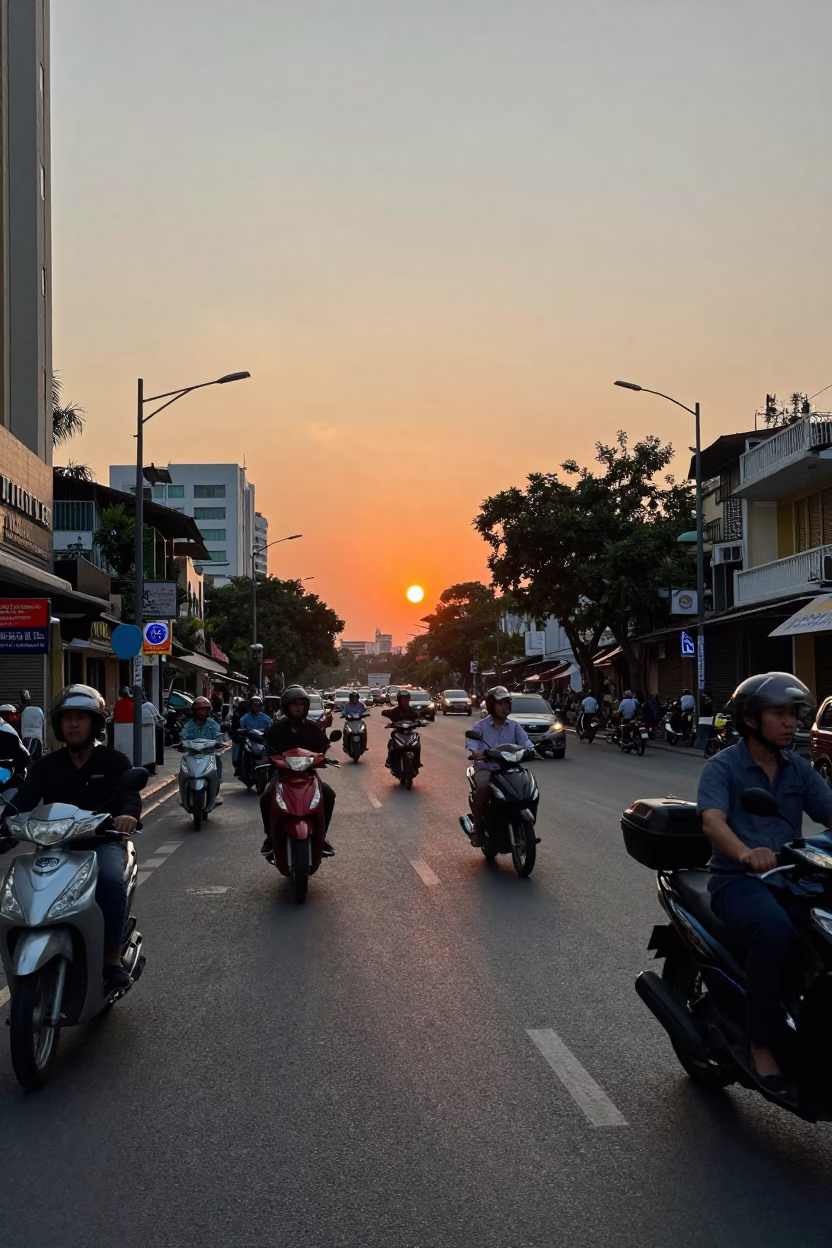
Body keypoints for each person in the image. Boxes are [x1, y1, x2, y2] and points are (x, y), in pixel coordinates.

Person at [698, 672, 832, 1091]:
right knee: (774, 932)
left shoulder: (799, 769)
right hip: (737, 881)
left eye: (794, 714)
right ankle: (761, 1044)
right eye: (779, 713)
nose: (791, 722)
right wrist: (744, 852)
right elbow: (712, 821)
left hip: (792, 878)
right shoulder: (724, 767)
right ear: (752, 720)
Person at [14, 685, 142, 989]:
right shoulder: (46, 766)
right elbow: (22, 802)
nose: (73, 724)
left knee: (111, 882)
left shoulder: (113, 761)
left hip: (103, 844)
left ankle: (111, 958)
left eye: (81, 718)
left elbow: (130, 795)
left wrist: (129, 815)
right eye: (67, 718)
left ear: (95, 724)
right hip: (55, 846)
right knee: (21, 885)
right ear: (58, 725)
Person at [260, 684, 335, 857]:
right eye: (294, 704)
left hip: (308, 777)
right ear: (286, 707)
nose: (298, 707)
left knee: (329, 794)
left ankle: (321, 836)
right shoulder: (276, 728)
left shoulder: (313, 728)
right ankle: (270, 837)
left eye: (301, 704)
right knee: (265, 798)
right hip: (283, 776)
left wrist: (325, 758)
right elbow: (268, 748)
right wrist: (267, 758)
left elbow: (323, 748)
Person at [466, 685, 536, 846]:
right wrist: (476, 752)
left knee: (527, 785)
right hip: (486, 768)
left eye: (506, 703)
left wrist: (532, 751)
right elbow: (472, 743)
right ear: (491, 705)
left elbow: (525, 742)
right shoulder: (481, 726)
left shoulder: (514, 726)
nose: (504, 707)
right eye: (500, 703)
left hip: (509, 769)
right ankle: (477, 829)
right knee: (483, 787)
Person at [181, 695, 225, 800]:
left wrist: (219, 744)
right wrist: (180, 743)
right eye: (201, 709)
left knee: (217, 761)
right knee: (183, 768)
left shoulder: (213, 724)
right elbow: (182, 736)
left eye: (206, 709)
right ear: (194, 711)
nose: (204, 712)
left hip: (210, 754)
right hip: (193, 755)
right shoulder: (188, 726)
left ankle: (217, 781)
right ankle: (183, 793)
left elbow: (219, 736)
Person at [382, 689, 421, 770]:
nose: (404, 702)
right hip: (398, 733)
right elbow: (387, 713)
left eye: (406, 699)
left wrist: (420, 722)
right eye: (402, 699)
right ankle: (390, 761)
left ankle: (417, 762)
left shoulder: (413, 711)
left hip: (409, 733)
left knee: (417, 744)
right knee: (391, 742)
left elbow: (419, 718)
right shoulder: (395, 711)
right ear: (399, 700)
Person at [19, 692, 45, 763]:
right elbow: (43, 724)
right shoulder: (38, 711)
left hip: (27, 737)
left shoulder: (25, 711)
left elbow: (22, 725)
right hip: (38, 737)